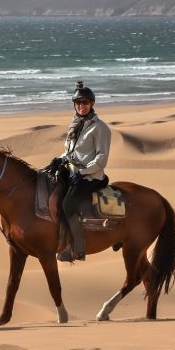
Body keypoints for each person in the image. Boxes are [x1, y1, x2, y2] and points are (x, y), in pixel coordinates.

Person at [48, 81, 111, 262]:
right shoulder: (75, 124)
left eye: (85, 103)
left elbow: (101, 159)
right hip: (73, 171)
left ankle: (78, 248)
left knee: (68, 205)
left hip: (91, 176)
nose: (81, 106)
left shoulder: (100, 128)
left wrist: (83, 173)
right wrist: (60, 159)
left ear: (91, 104)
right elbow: (71, 152)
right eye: (78, 103)